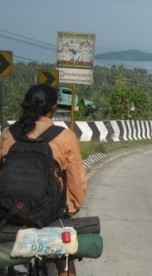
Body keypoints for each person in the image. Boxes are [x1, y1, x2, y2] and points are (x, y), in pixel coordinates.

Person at [0, 84, 87, 276]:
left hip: (8, 213)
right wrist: (70, 209)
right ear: (53, 108)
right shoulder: (65, 137)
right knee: (64, 260)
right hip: (49, 215)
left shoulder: (8, 134)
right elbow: (76, 182)